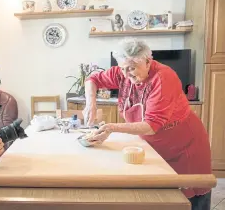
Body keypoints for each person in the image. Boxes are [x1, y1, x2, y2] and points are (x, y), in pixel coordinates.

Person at [82, 38, 212, 210]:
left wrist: (111, 127)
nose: (126, 74)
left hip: (184, 147)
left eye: (132, 68)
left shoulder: (163, 77)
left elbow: (151, 125)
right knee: (162, 199)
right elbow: (92, 79)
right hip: (154, 146)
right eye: (122, 68)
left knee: (190, 199)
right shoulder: (123, 72)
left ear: (148, 61)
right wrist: (91, 103)